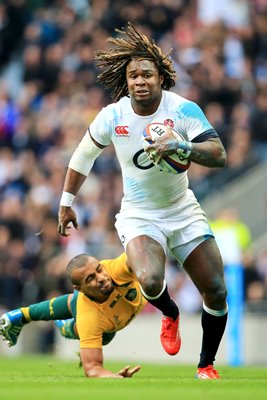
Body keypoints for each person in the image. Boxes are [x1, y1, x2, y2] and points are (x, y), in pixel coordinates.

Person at [57, 23, 228, 380]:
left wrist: (182, 146)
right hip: (139, 214)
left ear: (160, 78)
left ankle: (205, 364)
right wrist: (66, 201)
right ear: (126, 80)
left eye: (147, 74)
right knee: (150, 280)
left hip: (182, 209)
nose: (140, 81)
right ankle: (170, 312)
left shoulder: (182, 109)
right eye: (133, 75)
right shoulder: (114, 115)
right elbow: (83, 155)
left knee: (216, 290)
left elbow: (218, 154)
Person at [0, 252, 146, 378]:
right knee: (104, 336)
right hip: (89, 309)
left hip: (93, 303)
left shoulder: (115, 269)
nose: (101, 277)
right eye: (90, 279)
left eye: (99, 269)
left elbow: (139, 252)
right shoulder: (88, 316)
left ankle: (21, 315)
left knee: (75, 303)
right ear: (80, 289)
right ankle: (67, 327)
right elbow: (92, 369)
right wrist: (113, 377)